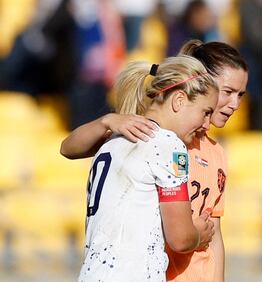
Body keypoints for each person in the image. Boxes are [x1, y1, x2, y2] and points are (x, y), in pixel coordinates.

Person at [61, 39, 249, 282]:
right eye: (205, 111)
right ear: (180, 100)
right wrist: (198, 235)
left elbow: (67, 148)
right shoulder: (169, 146)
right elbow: (181, 238)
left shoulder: (119, 138)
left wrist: (106, 122)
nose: (235, 105)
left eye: (241, 95)